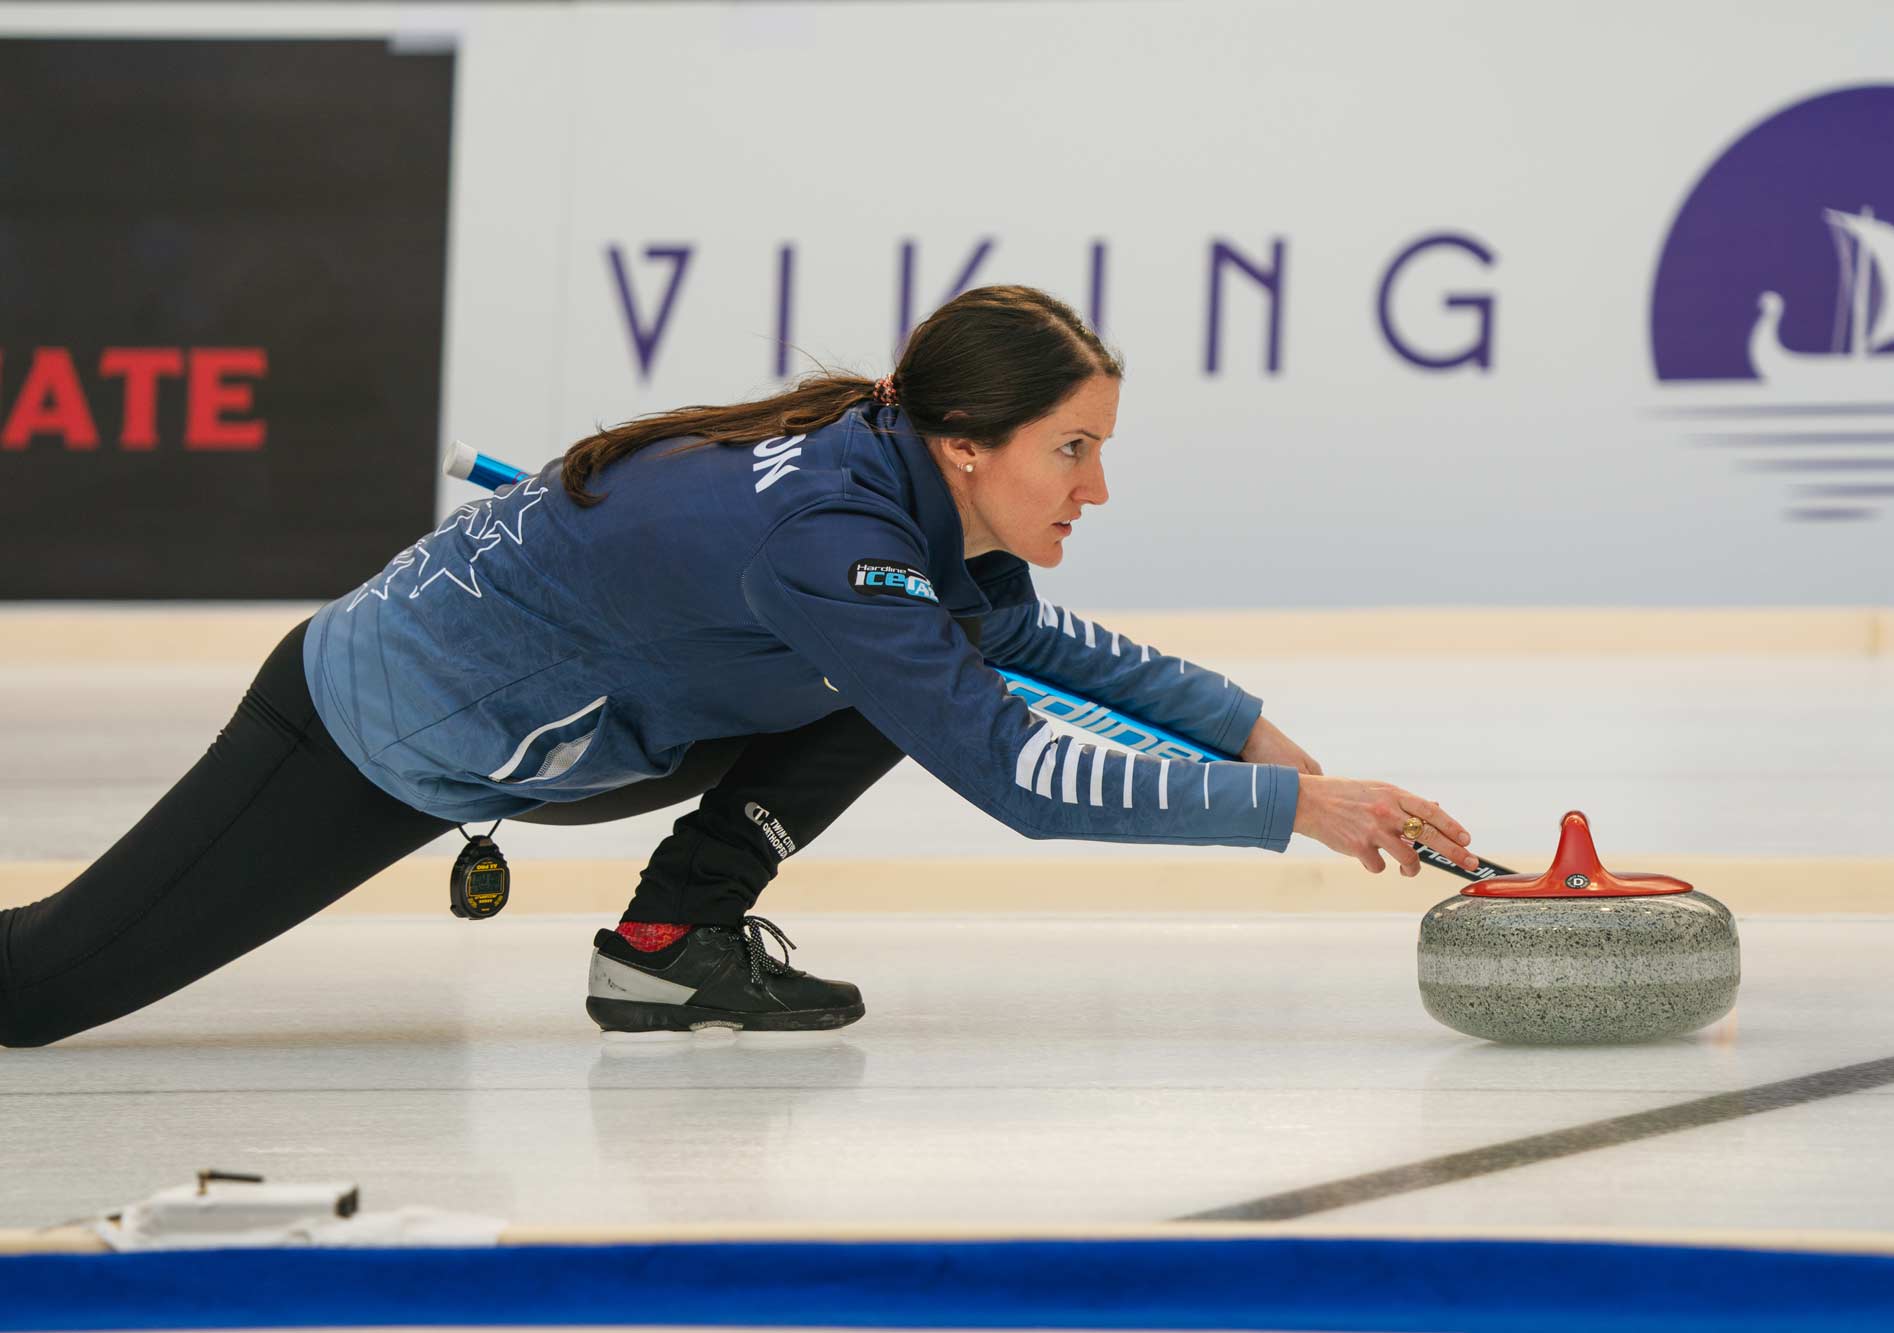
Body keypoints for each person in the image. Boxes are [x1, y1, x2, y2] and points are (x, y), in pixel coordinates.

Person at [0, 284, 1477, 1047]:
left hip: (560, 722)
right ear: (970, 443)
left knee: (930, 668)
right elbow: (1016, 766)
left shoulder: (900, 492)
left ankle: (664, 952)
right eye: (1074, 451)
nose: (1095, 488)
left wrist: (1291, 757)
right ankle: (666, 948)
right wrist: (1299, 815)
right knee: (41, 984)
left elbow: (1035, 646)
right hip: (364, 728)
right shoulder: (839, 546)